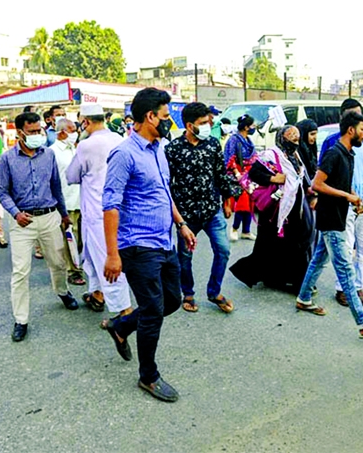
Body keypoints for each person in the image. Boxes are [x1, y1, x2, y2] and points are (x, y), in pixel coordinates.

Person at [102, 87, 197, 403]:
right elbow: (110, 205)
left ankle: (121, 326)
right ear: (149, 117)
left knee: (172, 299)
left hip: (164, 240)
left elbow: (163, 193)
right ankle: (148, 376)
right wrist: (113, 254)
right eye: (166, 116)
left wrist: (181, 224)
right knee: (154, 309)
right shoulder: (124, 154)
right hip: (136, 244)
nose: (169, 122)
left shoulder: (159, 148)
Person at [294, 110, 363, 339]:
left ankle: (304, 298)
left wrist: (354, 197)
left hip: (339, 214)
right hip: (331, 218)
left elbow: (343, 184)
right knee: (346, 269)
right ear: (351, 130)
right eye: (362, 130)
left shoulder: (348, 153)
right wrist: (347, 197)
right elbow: (317, 184)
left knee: (318, 260)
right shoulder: (334, 153)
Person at [0, 111, 78, 342]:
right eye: (31, 132)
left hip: (50, 216)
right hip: (23, 220)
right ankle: (21, 319)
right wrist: (15, 213)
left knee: (58, 261)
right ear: (20, 132)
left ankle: (62, 291)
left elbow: (56, 186)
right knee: (20, 271)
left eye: (38, 131)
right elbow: (2, 191)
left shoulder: (48, 155)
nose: (36, 135)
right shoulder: (7, 159)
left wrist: (63, 215)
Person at [165, 102, 240, 314]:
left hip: (211, 210)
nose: (209, 125)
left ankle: (214, 292)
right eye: (203, 123)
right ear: (189, 126)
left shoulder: (213, 145)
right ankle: (187, 293)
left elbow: (220, 174)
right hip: (186, 215)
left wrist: (227, 200)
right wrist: (176, 219)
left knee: (223, 250)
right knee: (185, 257)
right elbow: (167, 184)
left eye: (208, 121)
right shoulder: (173, 149)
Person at [66, 103, 133, 325]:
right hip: (118, 207)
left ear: (85, 122)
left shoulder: (86, 145)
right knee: (92, 256)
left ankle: (124, 312)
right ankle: (96, 293)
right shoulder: (119, 139)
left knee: (107, 260)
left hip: (97, 211)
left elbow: (72, 175)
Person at [230, 125, 316, 292]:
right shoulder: (270, 154)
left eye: (297, 140)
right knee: (273, 245)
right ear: (281, 139)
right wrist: (274, 178)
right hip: (274, 210)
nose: (295, 143)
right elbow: (254, 173)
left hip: (293, 207)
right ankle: (283, 281)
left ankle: (293, 280)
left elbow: (300, 178)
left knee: (294, 244)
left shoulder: (294, 155)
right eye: (291, 139)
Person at [49, 118, 86, 286]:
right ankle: (73, 271)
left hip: (82, 200)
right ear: (62, 132)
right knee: (70, 238)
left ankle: (80, 266)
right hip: (66, 202)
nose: (75, 133)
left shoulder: (76, 149)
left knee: (81, 239)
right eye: (71, 130)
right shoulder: (52, 152)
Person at [224, 114, 258, 241]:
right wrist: (237, 173)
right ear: (246, 127)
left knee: (250, 204)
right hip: (237, 175)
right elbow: (230, 157)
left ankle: (246, 231)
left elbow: (254, 157)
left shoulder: (248, 140)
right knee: (242, 204)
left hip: (249, 175)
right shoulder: (234, 139)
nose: (254, 127)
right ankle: (234, 228)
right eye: (252, 125)